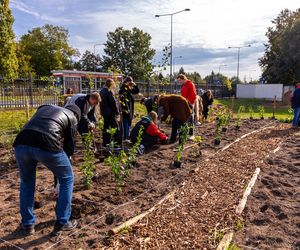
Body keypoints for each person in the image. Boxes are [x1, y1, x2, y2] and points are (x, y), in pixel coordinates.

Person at [13, 104, 81, 236]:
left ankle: (27, 224)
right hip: (46, 142)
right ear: (77, 115)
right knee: (67, 178)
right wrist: (58, 180)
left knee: (26, 183)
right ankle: (63, 221)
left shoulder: (46, 107)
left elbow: (38, 122)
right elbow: (68, 150)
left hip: (21, 142)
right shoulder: (73, 118)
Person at [100, 79, 122, 146]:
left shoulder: (101, 91)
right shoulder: (109, 91)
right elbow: (113, 103)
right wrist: (117, 112)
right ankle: (117, 143)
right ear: (111, 84)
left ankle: (106, 142)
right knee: (115, 127)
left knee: (106, 127)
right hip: (110, 113)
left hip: (104, 113)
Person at [119, 76, 139, 140]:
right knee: (126, 125)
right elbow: (122, 101)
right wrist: (126, 110)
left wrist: (135, 85)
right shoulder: (123, 89)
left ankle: (127, 137)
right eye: (129, 82)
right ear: (126, 82)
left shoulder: (128, 89)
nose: (131, 84)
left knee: (129, 124)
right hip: (125, 111)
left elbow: (136, 91)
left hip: (129, 111)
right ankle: (125, 138)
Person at [177, 74, 197, 138]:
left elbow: (193, 95)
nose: (179, 82)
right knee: (183, 118)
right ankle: (183, 130)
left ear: (183, 79)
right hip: (184, 104)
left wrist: (190, 104)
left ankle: (191, 134)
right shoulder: (184, 85)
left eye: (180, 80)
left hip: (189, 104)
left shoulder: (190, 84)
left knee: (190, 118)